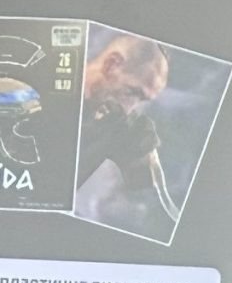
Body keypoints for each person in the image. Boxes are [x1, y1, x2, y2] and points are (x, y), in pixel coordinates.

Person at [75, 33, 182, 236]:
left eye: (142, 101)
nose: (129, 109)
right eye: (131, 92)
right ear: (111, 65)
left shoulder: (107, 125)